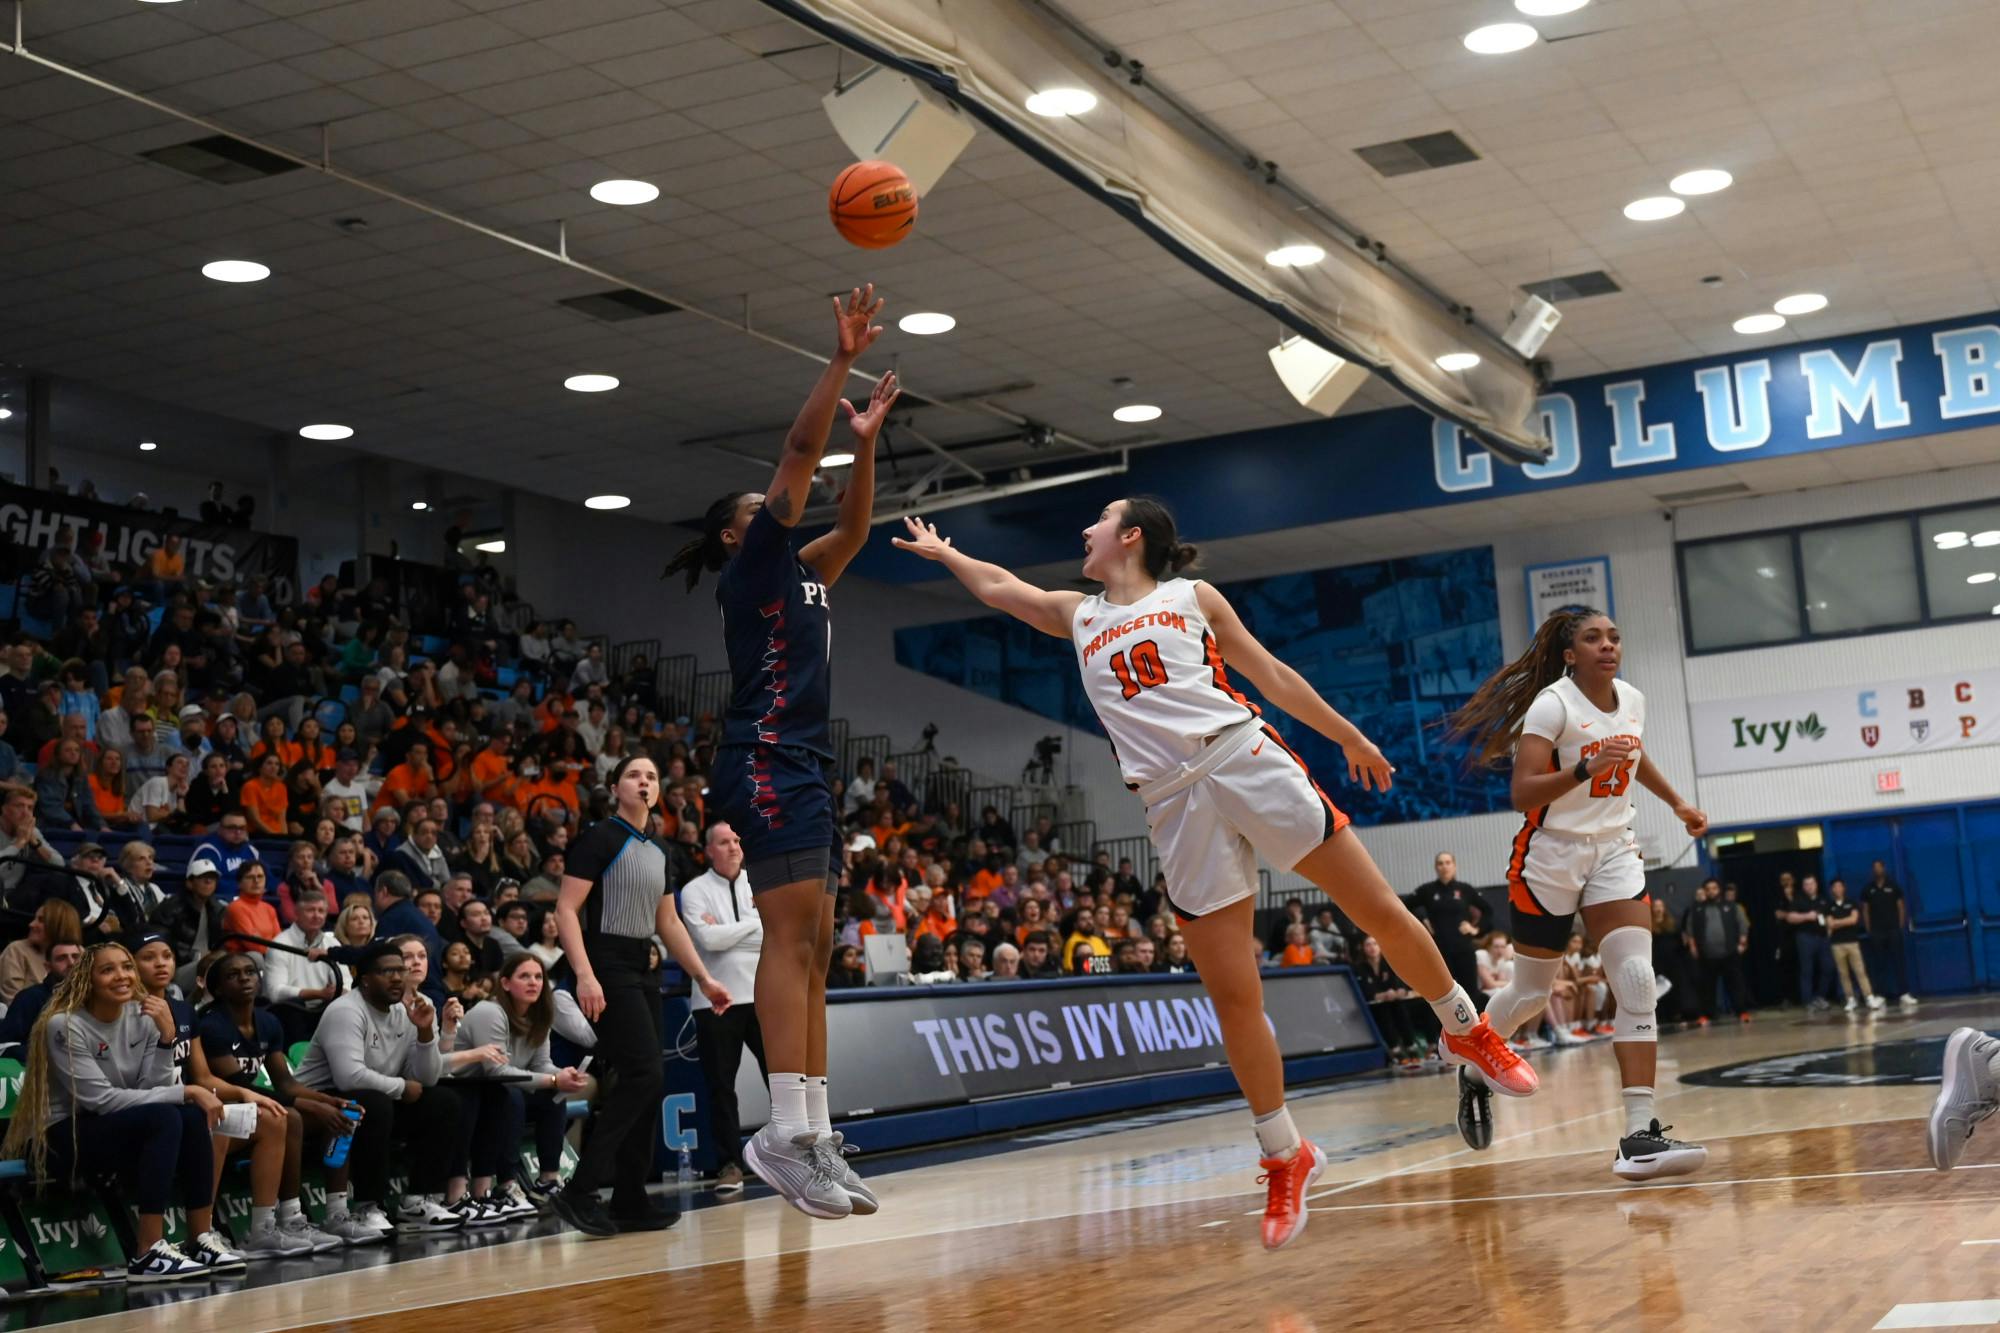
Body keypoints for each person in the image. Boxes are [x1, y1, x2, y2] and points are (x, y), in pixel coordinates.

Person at [894, 495, 1525, 1249]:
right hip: (1170, 801)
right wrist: (948, 553)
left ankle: (1465, 1028)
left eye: (1100, 519)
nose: (1085, 530)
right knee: (1232, 995)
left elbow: (1273, 675)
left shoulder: (1191, 596)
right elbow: (1003, 588)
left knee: (1379, 909)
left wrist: (1349, 735)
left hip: (1240, 757)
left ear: (1131, 535)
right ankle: (1286, 1153)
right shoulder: (1079, 614)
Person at [659, 287, 897, 1225]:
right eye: (760, 511)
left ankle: (813, 1130)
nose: (778, 510)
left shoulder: (804, 573)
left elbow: (859, 528)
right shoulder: (755, 564)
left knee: (816, 950)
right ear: (736, 534)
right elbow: (799, 452)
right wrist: (839, 364)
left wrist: (865, 442)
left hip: (802, 761)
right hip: (763, 757)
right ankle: (783, 1135)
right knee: (790, 940)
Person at [1444, 606, 1709, 1180]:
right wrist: (1584, 770)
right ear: (1570, 654)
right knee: (1531, 995)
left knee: (1636, 979)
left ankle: (1639, 1134)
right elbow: (1523, 792)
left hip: (1614, 848)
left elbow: (1633, 755)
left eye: (1614, 636)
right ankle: (1473, 1059)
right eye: (1593, 638)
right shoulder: (1552, 706)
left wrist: (1677, 802)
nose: (1608, 645)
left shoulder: (1632, 699)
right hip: (1551, 854)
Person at [552, 755, 732, 1237]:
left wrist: (703, 978)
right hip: (605, 963)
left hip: (642, 964)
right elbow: (566, 910)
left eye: (652, 776)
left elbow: (667, 922)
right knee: (643, 1073)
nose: (644, 782)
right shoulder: (598, 838)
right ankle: (579, 1190)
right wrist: (584, 974)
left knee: (650, 1080)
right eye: (634, 775)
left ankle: (630, 1197)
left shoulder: (660, 848)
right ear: (615, 788)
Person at [0, 942, 243, 1281]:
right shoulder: (63, 1024)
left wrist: (166, 1038)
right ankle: (148, 1251)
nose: (122, 976)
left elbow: (151, 1089)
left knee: (190, 1116)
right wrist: (187, 1089)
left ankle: (200, 1237)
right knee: (166, 1116)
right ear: (87, 980)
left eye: (127, 967)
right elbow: (99, 1101)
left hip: (114, 1127)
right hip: (59, 1137)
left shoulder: (145, 1016)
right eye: (107, 970)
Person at [293, 941, 462, 1235]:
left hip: (374, 1097)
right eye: (386, 972)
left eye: (400, 971)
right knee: (375, 1103)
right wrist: (401, 1087)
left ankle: (418, 1201)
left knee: (444, 1101)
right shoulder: (346, 1010)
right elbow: (349, 1078)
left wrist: (424, 1033)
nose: (397, 978)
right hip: (320, 1101)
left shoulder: (411, 1009)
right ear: (365, 979)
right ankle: (367, 1206)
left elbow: (428, 1078)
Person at [448, 954, 589, 1216]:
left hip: (503, 1090)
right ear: (505, 983)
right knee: (511, 1095)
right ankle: (506, 1184)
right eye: (524, 976)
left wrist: (562, 1076)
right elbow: (496, 1071)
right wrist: (553, 1079)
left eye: (538, 977)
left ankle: (547, 1181)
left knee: (552, 1094)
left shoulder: (539, 1015)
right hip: (470, 1092)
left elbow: (542, 1064)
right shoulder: (490, 1011)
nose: (533, 982)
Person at [680, 822, 767, 1195]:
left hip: (763, 996)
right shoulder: (694, 890)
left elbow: (774, 932)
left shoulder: (760, 881)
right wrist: (753, 926)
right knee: (720, 1087)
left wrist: (732, 930)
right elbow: (708, 941)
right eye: (723, 842)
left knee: (782, 1080)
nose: (732, 847)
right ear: (708, 850)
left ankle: (798, 1155)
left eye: (736, 840)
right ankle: (729, 1163)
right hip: (715, 1002)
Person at [267, 887, 343, 1043]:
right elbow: (275, 992)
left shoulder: (332, 943)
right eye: (310, 910)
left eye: (321, 911)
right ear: (297, 913)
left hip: (324, 1008)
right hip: (292, 1012)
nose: (317, 915)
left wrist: (341, 991)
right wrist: (318, 993)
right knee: (292, 1005)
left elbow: (346, 981)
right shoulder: (280, 943)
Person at [1409, 852, 1485, 1003]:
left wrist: (1476, 929)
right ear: (1436, 867)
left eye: (1448, 862)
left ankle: (1474, 1019)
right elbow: (1405, 906)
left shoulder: (1465, 889)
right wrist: (1423, 919)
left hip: (1463, 949)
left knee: (1470, 993)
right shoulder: (1427, 890)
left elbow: (1488, 911)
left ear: (1454, 866)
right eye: (1440, 863)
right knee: (1443, 995)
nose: (1444, 866)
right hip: (1439, 951)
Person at [1682, 879, 1751, 1025]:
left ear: (1719, 889)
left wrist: (1742, 942)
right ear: (1705, 891)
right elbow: (1690, 930)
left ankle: (1742, 1012)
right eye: (1708, 889)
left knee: (1736, 984)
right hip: (1706, 955)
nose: (1711, 891)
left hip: (1730, 953)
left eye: (1714, 888)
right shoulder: (1697, 909)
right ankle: (1708, 1015)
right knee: (1707, 987)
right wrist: (1693, 947)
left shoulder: (1731, 906)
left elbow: (1742, 925)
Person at [1354, 935, 1433, 1063]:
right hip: (1376, 1006)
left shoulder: (1389, 962)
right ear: (1362, 948)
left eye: (1375, 944)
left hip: (1396, 1001)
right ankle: (1395, 1049)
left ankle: (1413, 1046)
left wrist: (1399, 990)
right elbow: (1365, 990)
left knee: (1409, 1007)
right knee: (1384, 1011)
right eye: (1368, 945)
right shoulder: (1360, 968)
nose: (1372, 948)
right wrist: (1380, 995)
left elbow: (1401, 983)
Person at [0, 938, 84, 1054]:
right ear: (48, 967)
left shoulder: (100, 996)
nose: (71, 963)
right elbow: (6, 1045)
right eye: (61, 958)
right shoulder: (30, 998)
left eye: (76, 957)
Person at [0, 898, 82, 1002]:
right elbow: (13, 1002)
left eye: (41, 920)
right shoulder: (16, 951)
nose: (31, 924)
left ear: (59, 926)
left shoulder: (82, 954)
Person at [1862, 860, 1918, 1007]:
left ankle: (1904, 993)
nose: (1877, 870)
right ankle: (1880, 995)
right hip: (1877, 932)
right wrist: (1869, 929)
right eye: (1875, 868)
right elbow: (1865, 910)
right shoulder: (1868, 889)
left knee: (1899, 962)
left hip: (1893, 930)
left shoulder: (1893, 886)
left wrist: (1899, 926)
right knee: (1879, 964)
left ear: (1884, 868)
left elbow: (1901, 907)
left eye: (1879, 867)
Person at [1825, 878, 1884, 1014]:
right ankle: (1850, 999)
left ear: (1843, 888)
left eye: (1840, 886)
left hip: (1852, 942)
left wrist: (1838, 922)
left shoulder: (1851, 903)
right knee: (1843, 973)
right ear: (1832, 890)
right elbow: (1830, 924)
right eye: (1835, 887)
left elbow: (1853, 920)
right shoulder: (1829, 906)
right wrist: (1843, 921)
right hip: (1837, 944)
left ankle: (1869, 997)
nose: (1837, 889)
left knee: (1860, 971)